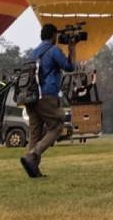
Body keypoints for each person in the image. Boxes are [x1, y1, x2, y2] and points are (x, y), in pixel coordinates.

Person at [20, 23, 74, 179]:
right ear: (53, 36)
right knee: (57, 126)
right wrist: (71, 48)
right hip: (47, 95)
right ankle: (33, 154)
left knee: (35, 133)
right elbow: (69, 67)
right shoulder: (53, 50)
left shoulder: (33, 53)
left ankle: (33, 170)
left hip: (30, 98)